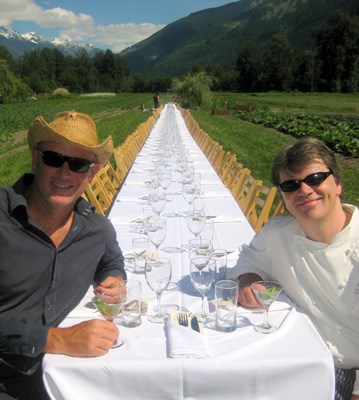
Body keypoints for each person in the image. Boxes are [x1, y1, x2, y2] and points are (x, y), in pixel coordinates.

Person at [0, 111, 127, 399]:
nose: (65, 173)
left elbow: (112, 259)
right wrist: (55, 339)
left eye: (79, 164)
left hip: (68, 379)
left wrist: (115, 276)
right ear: (35, 158)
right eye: (54, 159)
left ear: (92, 173)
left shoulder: (96, 230)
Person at [226, 137, 358, 400]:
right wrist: (247, 281)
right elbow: (246, 264)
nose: (305, 190)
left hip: (345, 371)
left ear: (338, 183)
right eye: (291, 185)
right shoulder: (278, 234)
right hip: (295, 358)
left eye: (315, 178)